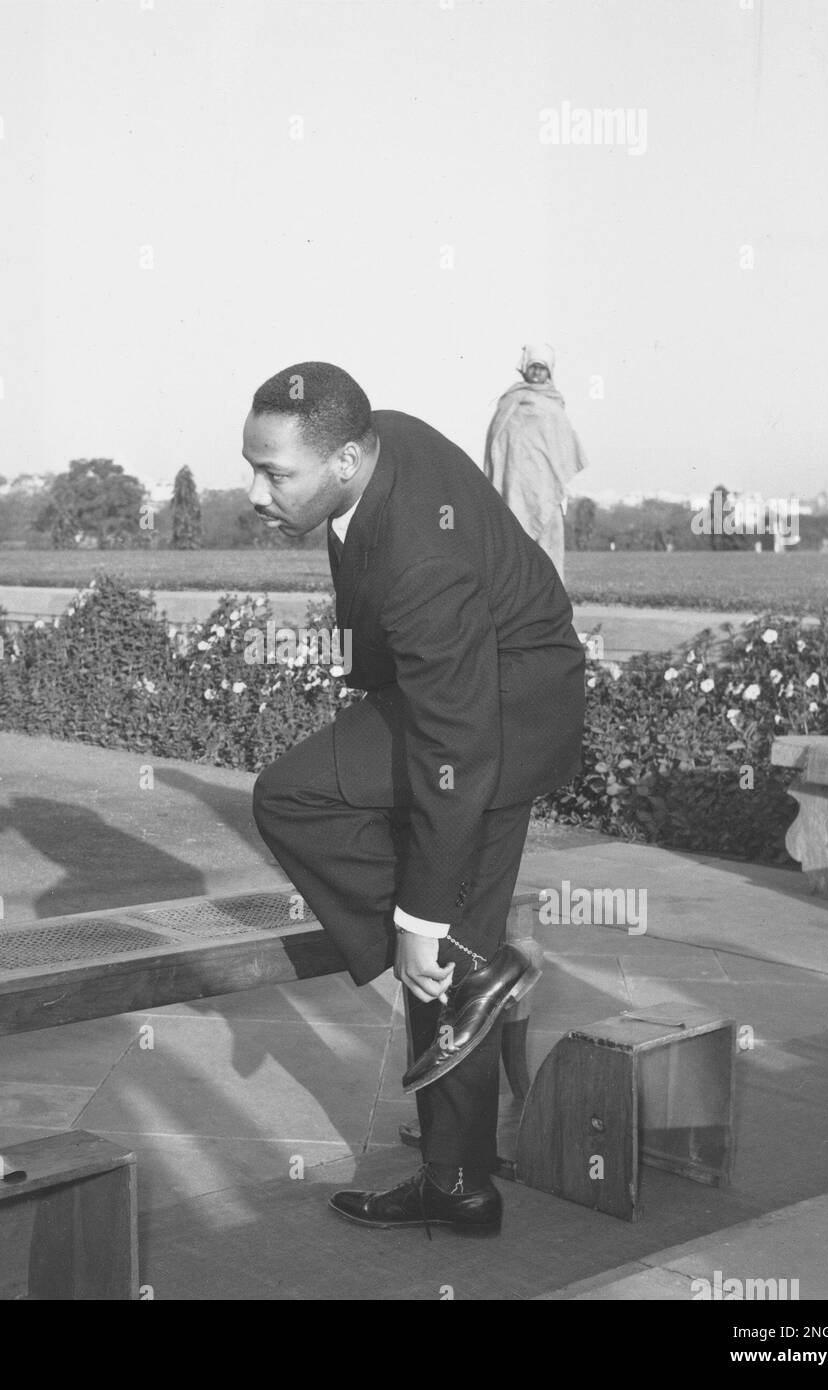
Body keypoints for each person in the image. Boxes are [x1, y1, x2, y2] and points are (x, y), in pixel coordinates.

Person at [248, 362, 584, 1236]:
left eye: (274, 474)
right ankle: (460, 1187)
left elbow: (456, 746)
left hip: (496, 717)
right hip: (487, 693)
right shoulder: (373, 435)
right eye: (252, 465)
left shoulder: (421, 561)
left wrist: (418, 915)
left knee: (293, 798)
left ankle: (454, 952)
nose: (254, 491)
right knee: (455, 968)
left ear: (349, 458)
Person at [483, 343, 588, 580]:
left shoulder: (554, 406)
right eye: (533, 367)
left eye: (542, 368)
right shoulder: (509, 400)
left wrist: (558, 485)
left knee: (548, 549)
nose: (537, 372)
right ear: (525, 369)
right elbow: (498, 446)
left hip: (546, 492)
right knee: (515, 549)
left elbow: (562, 449)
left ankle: (553, 606)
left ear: (550, 372)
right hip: (513, 489)